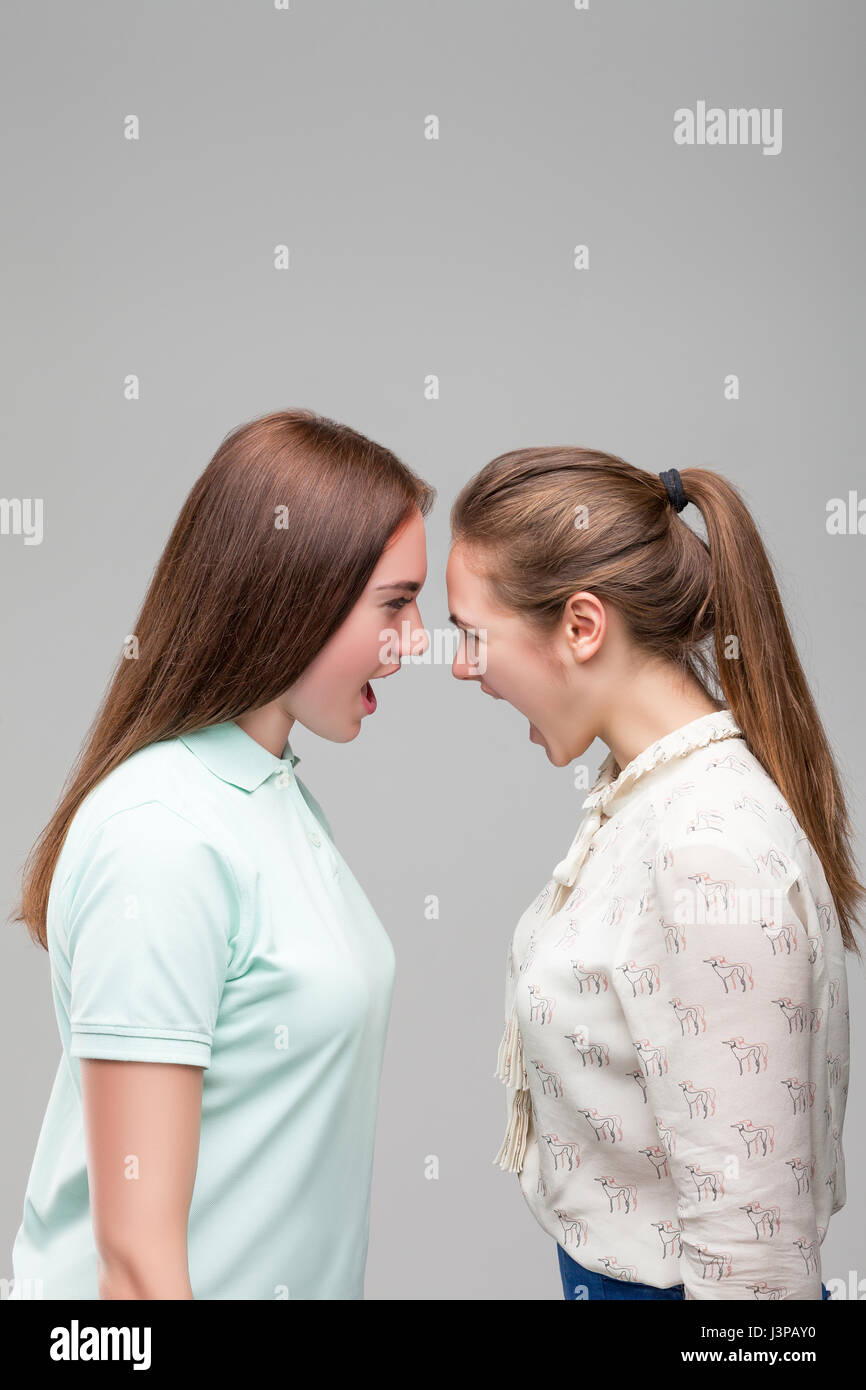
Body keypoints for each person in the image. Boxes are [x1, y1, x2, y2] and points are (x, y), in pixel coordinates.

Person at [7, 408, 434, 1299]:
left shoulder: (273, 792)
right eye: (395, 604)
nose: (419, 642)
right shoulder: (160, 836)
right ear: (297, 590)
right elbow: (134, 1261)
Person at [445, 446, 861, 1300]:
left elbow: (756, 1270)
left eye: (473, 634)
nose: (460, 665)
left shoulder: (708, 849)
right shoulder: (649, 805)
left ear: (583, 625)